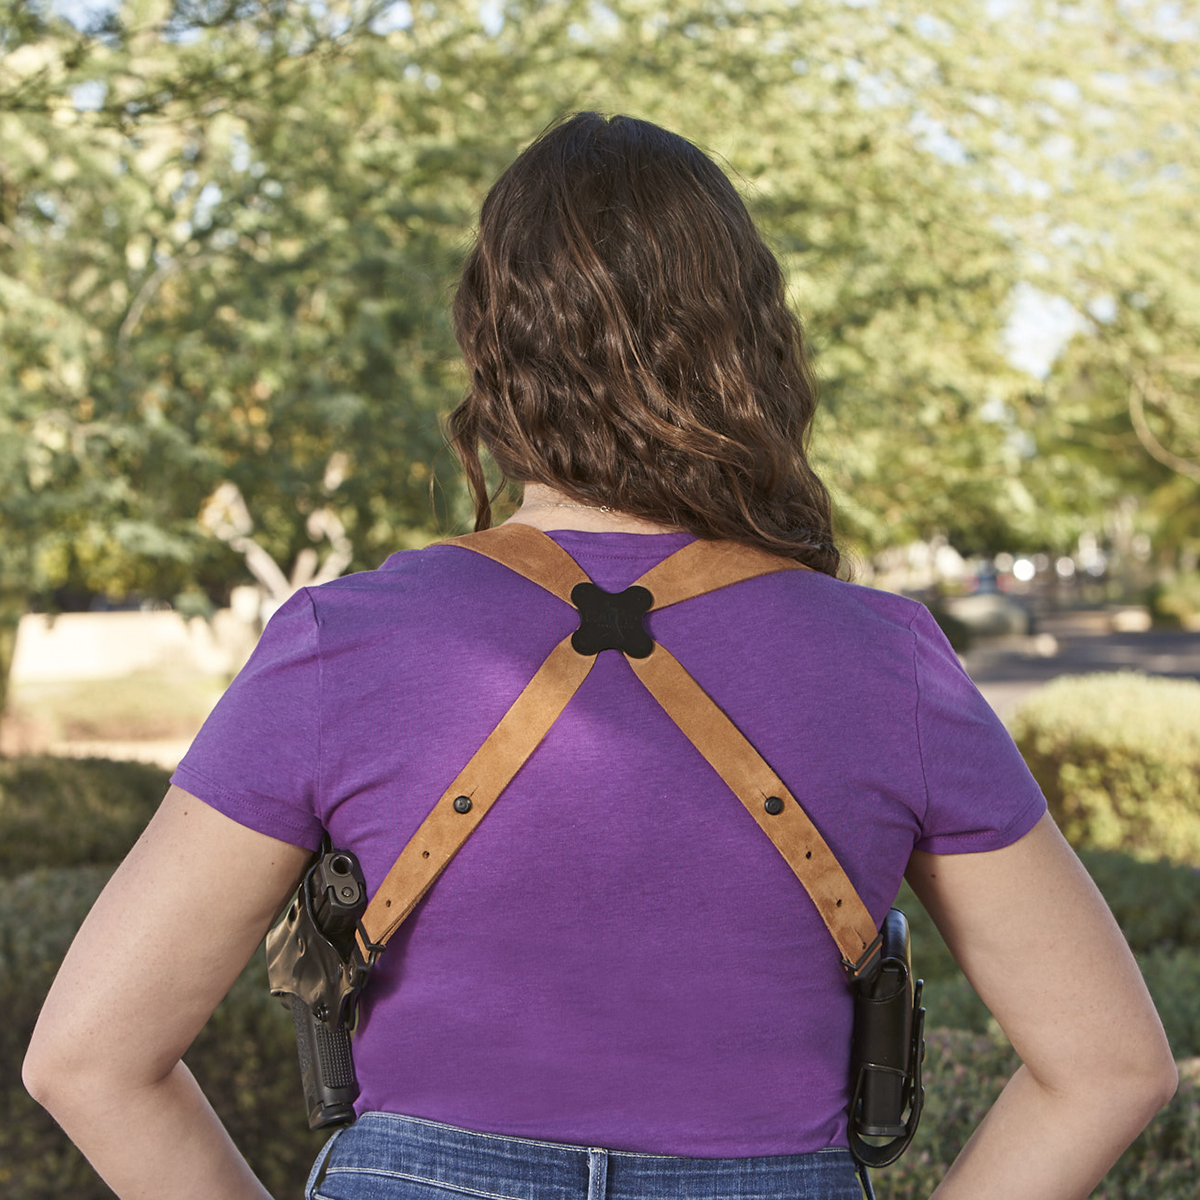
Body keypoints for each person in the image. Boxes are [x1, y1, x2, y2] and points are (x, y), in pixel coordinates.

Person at [24, 112, 1175, 1200]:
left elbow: (87, 1058)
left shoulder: (344, 641)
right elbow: (1111, 1066)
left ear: (489, 346)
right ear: (756, 342)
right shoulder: (888, 662)